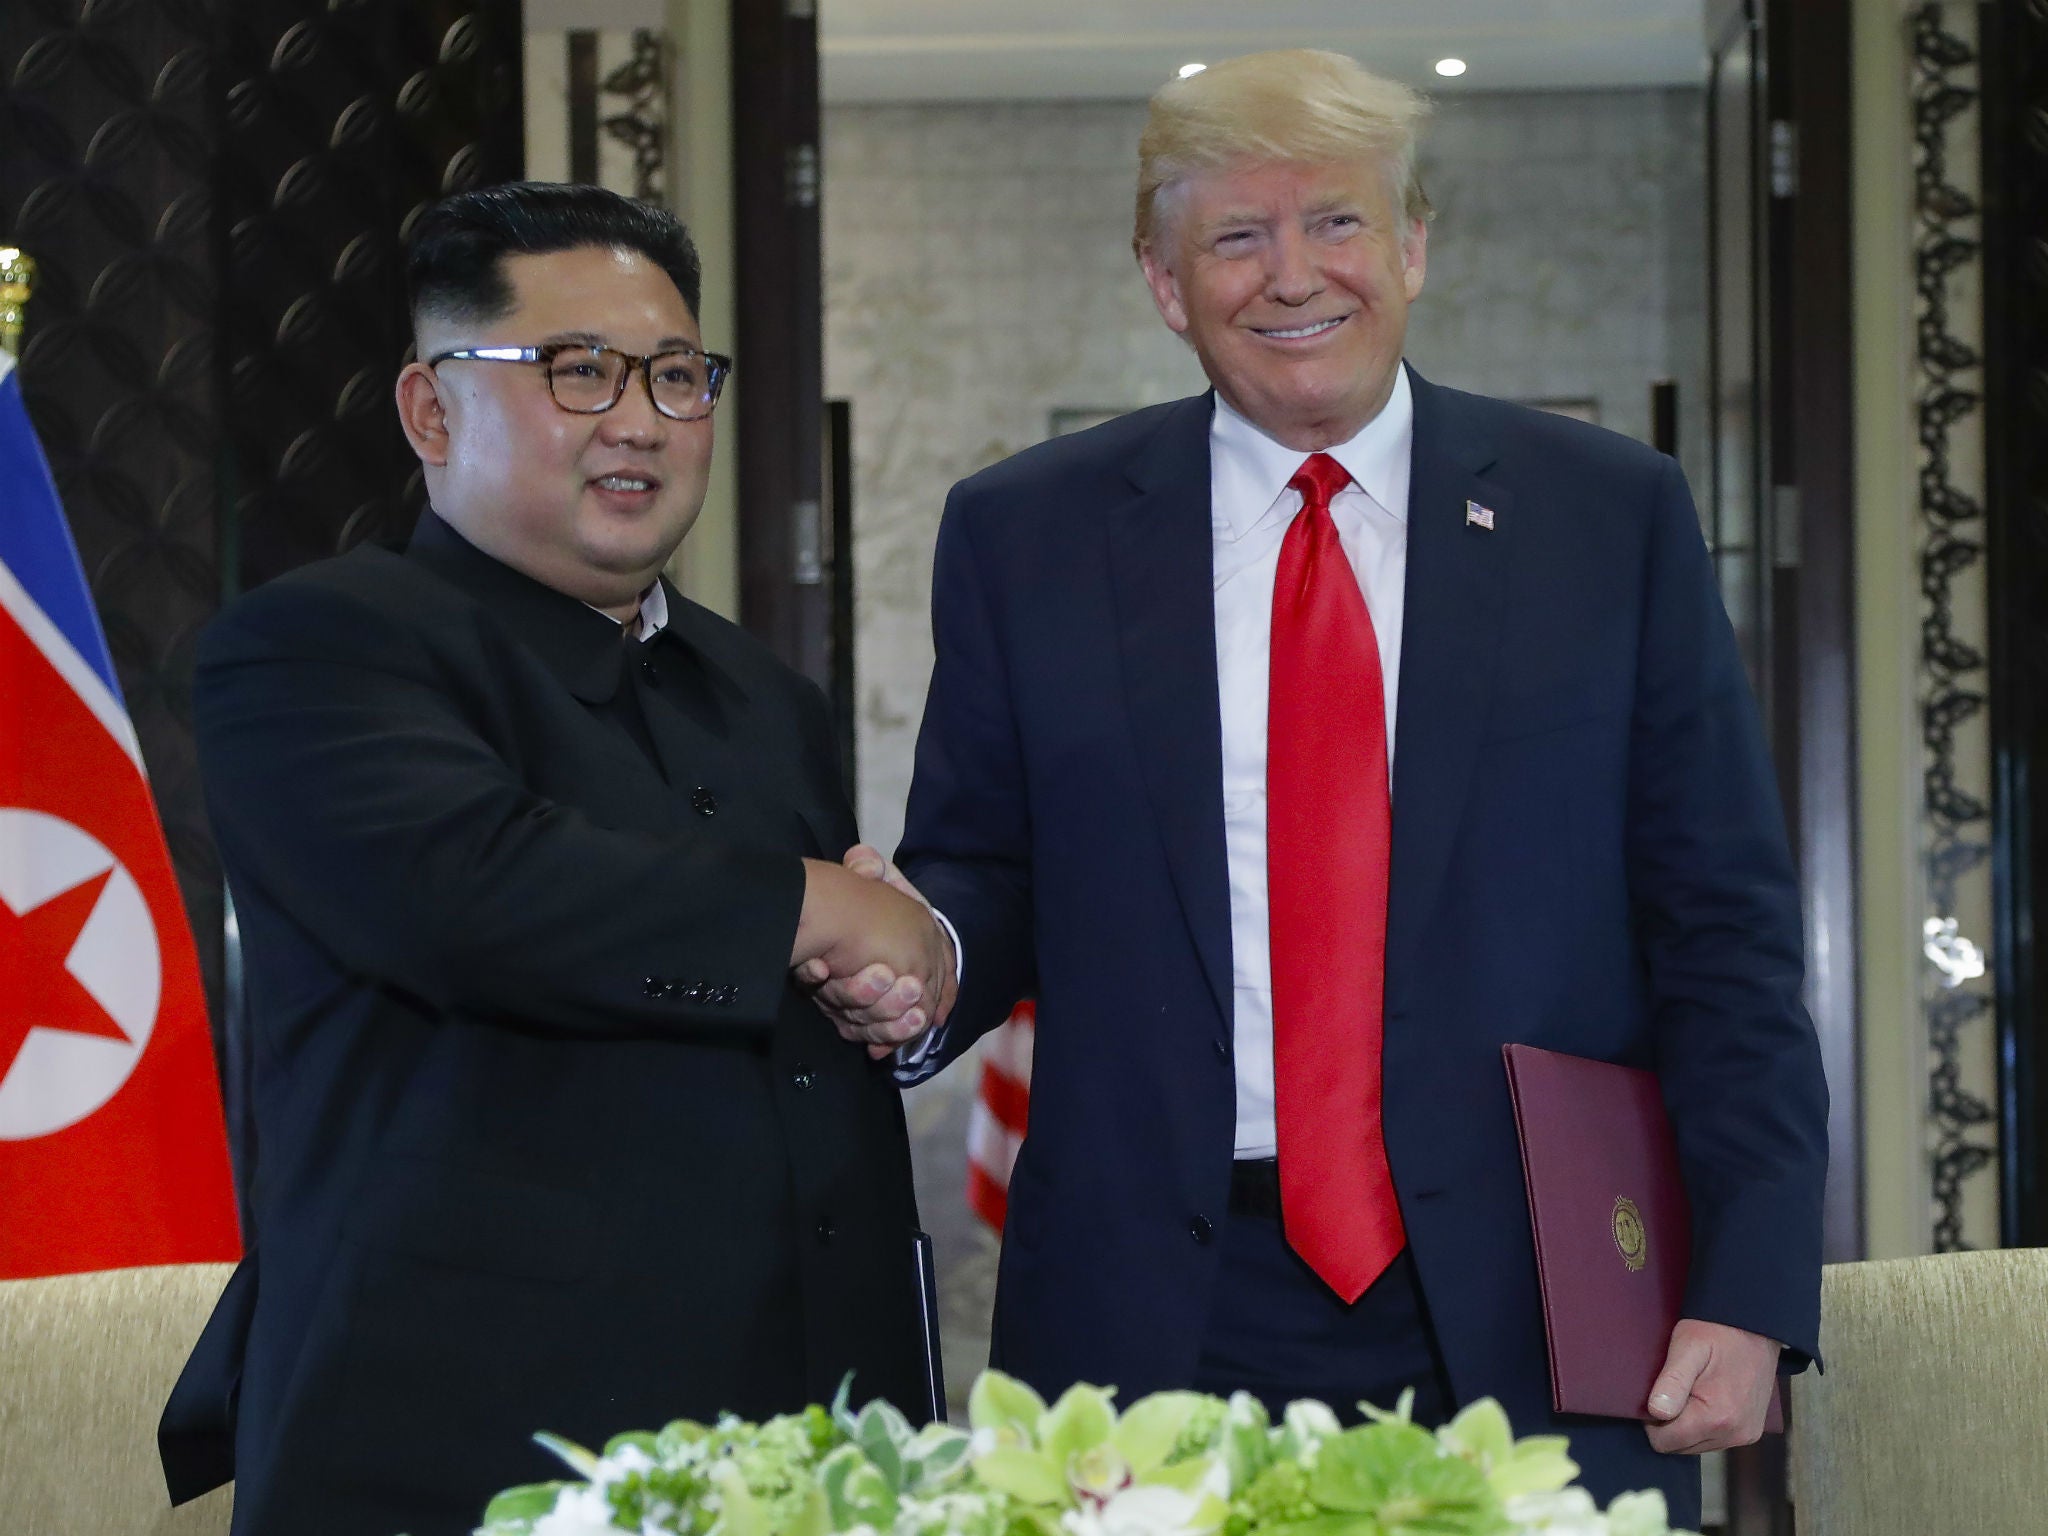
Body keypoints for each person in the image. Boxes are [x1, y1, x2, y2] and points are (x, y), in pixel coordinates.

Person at [820, 50, 1828, 1523]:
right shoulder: (1025, 533)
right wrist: (922, 962)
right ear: (1166, 284)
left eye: (1337, 221)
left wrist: (1748, 1283)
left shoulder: (1609, 517)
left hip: (1538, 1299)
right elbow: (988, 866)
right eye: (1237, 235)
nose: (1293, 275)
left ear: (1413, 245)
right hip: (1158, 1305)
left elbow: (1723, 927)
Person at [158, 182, 955, 1536]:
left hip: (805, 1445)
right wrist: (815, 907)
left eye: (675, 375)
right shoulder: (318, 647)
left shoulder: (763, 695)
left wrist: (895, 986)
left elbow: (798, 1014)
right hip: (462, 1447)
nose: (639, 419)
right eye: (578, 370)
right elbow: (475, 895)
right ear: (431, 411)